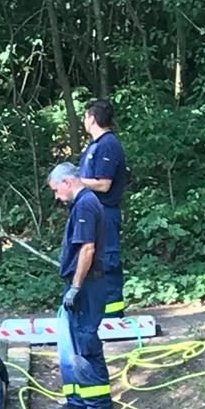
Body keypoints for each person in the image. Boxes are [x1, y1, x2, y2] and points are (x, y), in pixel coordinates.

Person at [47, 162, 114, 409]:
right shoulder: (81, 204)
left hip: (87, 286)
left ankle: (98, 405)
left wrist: (75, 287)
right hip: (79, 285)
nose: (56, 196)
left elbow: (87, 249)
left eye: (55, 190)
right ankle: (77, 400)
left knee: (84, 344)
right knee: (68, 345)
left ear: (66, 182)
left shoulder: (86, 204)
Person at [79, 100, 127, 317]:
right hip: (93, 212)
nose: (83, 121)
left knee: (108, 260)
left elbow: (104, 184)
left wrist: (76, 182)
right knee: (93, 260)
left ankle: (112, 313)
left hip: (106, 211)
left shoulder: (108, 145)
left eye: (85, 116)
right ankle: (96, 309)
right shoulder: (94, 145)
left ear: (92, 118)